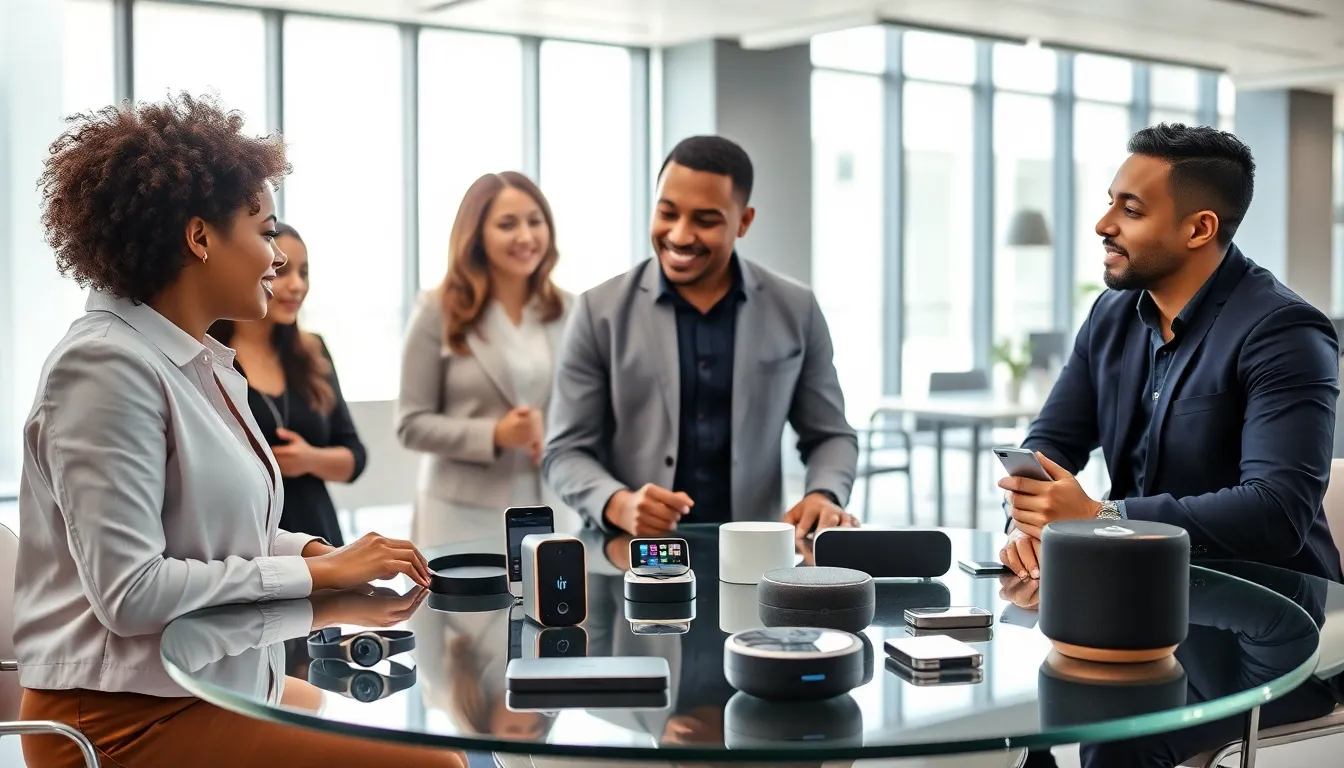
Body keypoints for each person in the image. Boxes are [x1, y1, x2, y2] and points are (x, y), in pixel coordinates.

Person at [14, 93, 457, 768]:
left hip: (210, 682)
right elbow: (132, 594)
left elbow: (212, 533)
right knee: (437, 766)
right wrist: (317, 576)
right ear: (199, 238)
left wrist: (313, 553)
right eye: (264, 230)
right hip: (121, 719)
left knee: (404, 733)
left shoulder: (198, 362)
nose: (276, 258)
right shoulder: (103, 367)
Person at [997, 123, 1342, 584]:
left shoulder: (1285, 331)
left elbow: (1276, 511)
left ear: (1200, 228)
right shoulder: (1110, 315)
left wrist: (1103, 515)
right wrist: (1029, 522)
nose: (1104, 225)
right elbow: (1050, 444)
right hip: (1135, 587)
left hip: (1263, 607)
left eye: (1131, 210)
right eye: (1110, 201)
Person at [543, 135, 859, 538]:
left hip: (754, 558)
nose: (679, 235)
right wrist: (617, 502)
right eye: (667, 212)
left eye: (705, 221)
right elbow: (564, 451)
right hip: (629, 558)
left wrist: (824, 493)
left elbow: (831, 435)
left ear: (744, 222)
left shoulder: (795, 308)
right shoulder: (597, 312)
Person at [396, 171, 576, 548]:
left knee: (551, 606)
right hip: (462, 515)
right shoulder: (438, 309)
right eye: (507, 224)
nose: (525, 237)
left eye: (535, 221)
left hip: (552, 505)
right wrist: (494, 434)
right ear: (476, 234)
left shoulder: (568, 310)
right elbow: (410, 424)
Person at [210, 223, 366, 547]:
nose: (297, 285)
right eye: (282, 271)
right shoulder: (210, 358)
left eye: (304, 273)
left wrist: (310, 459)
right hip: (251, 544)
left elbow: (355, 457)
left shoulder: (313, 353)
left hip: (322, 536)